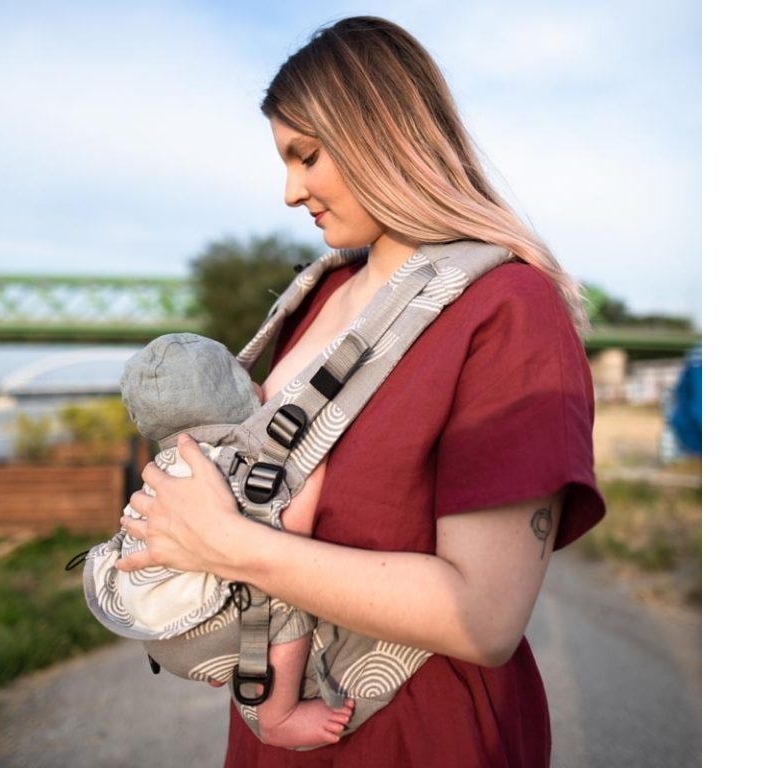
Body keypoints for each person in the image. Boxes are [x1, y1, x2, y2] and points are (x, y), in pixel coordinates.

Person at [118, 16, 606, 766]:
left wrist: (228, 544)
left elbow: (485, 620)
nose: (290, 192)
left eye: (307, 156)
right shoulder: (316, 295)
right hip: (274, 732)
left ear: (382, 133)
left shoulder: (507, 311)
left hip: (415, 733)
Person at [108, 332, 353, 749]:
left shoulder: (163, 471)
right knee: (288, 590)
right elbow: (288, 529)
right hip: (213, 630)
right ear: (250, 394)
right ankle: (279, 716)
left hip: (160, 633)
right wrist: (316, 468)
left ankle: (226, 655)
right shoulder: (241, 461)